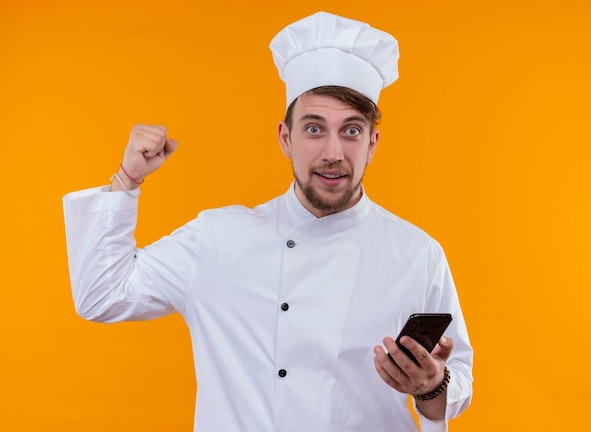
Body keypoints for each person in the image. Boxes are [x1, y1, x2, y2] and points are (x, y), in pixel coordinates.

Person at [63, 11, 473, 432]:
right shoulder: (218, 237)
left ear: (372, 143)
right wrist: (127, 179)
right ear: (285, 138)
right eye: (315, 129)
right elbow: (101, 294)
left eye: (351, 131)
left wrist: (431, 385)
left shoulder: (417, 253)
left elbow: (456, 380)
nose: (333, 152)